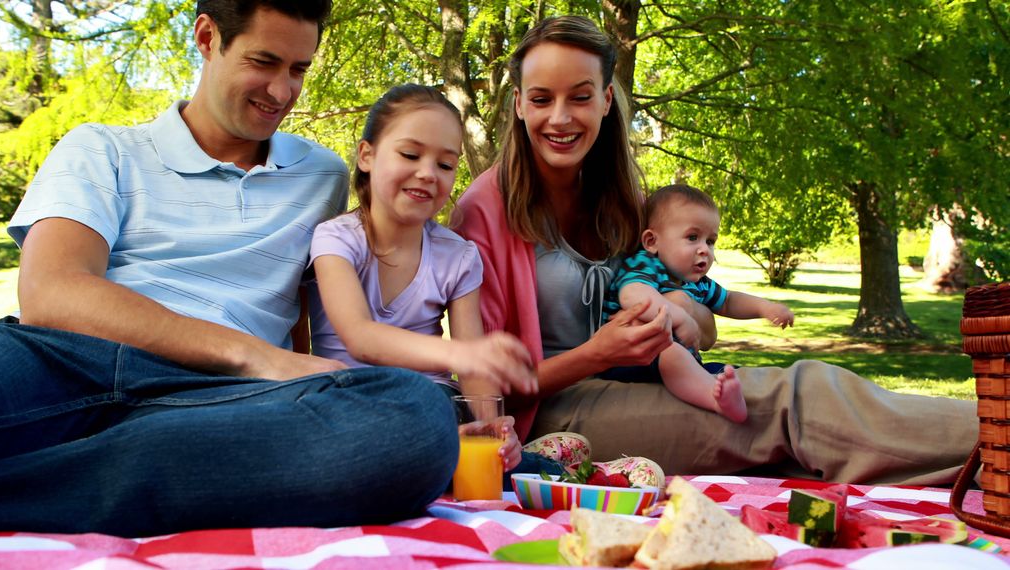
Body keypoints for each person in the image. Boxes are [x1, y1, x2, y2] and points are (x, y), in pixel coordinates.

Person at [0, 0, 459, 537]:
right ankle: (128, 477)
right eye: (264, 61)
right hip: (64, 359)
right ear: (207, 37)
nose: (282, 91)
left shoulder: (321, 176)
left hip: (219, 400)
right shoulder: (103, 148)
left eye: (298, 69)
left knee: (415, 421)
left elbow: (328, 304)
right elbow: (53, 294)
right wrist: (255, 356)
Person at [452, 15, 977, 486]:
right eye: (542, 98)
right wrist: (598, 353)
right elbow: (489, 390)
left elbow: (704, 328)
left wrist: (683, 312)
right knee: (792, 407)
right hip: (552, 414)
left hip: (652, 380)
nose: (560, 117)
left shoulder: (629, 206)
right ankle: (992, 447)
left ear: (608, 100)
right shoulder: (485, 211)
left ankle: (983, 452)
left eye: (581, 96)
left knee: (802, 390)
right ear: (518, 103)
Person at [307, 83, 536, 473]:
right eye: (410, 154)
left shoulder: (458, 255)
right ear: (367, 155)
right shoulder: (335, 239)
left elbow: (474, 372)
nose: (428, 173)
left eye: (445, 165)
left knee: (443, 412)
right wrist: (459, 354)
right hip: (348, 397)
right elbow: (359, 337)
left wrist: (492, 428)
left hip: (431, 402)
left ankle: (525, 461)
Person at [600, 183, 797, 423]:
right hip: (629, 360)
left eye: (711, 241)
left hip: (671, 364)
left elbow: (729, 301)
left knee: (734, 372)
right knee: (670, 351)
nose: (704, 249)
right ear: (652, 241)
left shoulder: (698, 283)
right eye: (692, 237)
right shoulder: (646, 265)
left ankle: (730, 391)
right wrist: (680, 317)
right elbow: (632, 295)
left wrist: (766, 308)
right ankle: (716, 401)